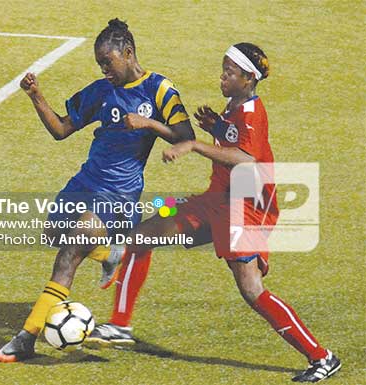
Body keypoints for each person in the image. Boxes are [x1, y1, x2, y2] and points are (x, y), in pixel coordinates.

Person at [90, 43, 340, 382]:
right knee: (142, 235)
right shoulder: (236, 104)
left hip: (246, 208)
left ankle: (322, 357)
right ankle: (119, 325)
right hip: (219, 199)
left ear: (249, 79)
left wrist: (193, 143)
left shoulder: (252, 112)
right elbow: (236, 141)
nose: (223, 75)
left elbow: (246, 158)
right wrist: (216, 128)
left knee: (251, 289)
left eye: (230, 72)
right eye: (223, 68)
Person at [0, 18, 195, 363]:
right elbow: (61, 129)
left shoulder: (160, 90)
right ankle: (108, 253)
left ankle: (26, 337)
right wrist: (36, 96)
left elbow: (186, 136)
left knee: (68, 255)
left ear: (128, 53)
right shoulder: (101, 90)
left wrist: (149, 123)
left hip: (118, 193)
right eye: (100, 64)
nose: (104, 70)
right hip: (86, 181)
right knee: (53, 233)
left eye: (108, 62)